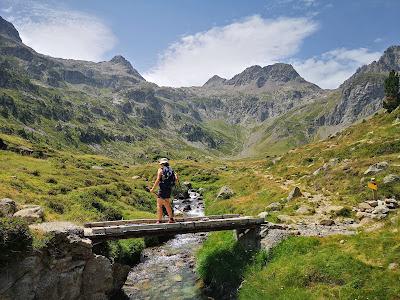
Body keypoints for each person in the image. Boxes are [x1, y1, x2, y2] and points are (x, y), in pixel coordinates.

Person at [150, 158, 178, 223]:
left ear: (161, 164)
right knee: (167, 204)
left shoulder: (160, 170)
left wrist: (152, 189)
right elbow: (175, 180)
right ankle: (171, 219)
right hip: (169, 189)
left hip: (162, 189)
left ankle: (159, 220)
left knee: (159, 204)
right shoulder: (171, 170)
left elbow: (158, 180)